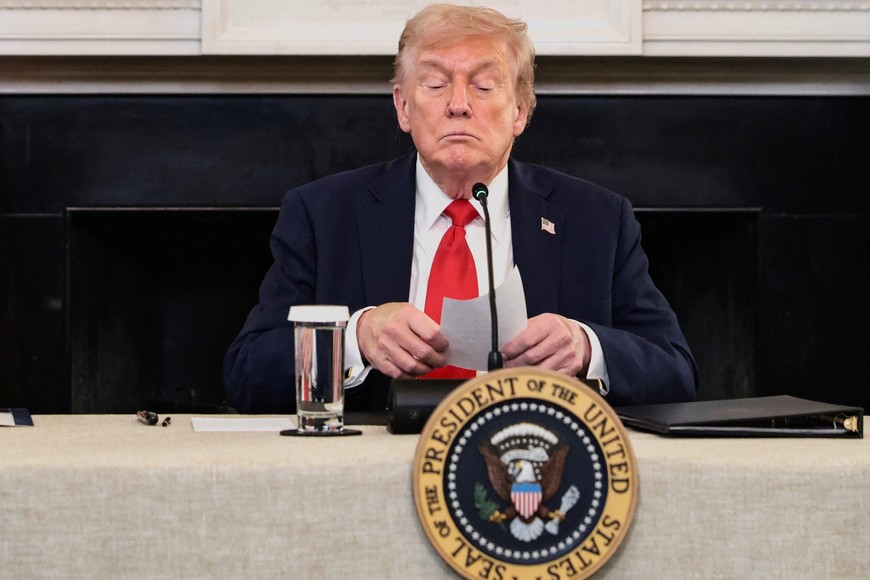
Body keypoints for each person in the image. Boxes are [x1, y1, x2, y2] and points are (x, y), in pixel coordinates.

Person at [223, 3, 697, 413]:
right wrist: (354, 338)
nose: (458, 105)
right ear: (403, 107)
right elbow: (246, 374)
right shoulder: (324, 214)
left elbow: (675, 370)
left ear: (520, 112)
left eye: (484, 86)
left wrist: (586, 348)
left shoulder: (595, 220)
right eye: (434, 84)